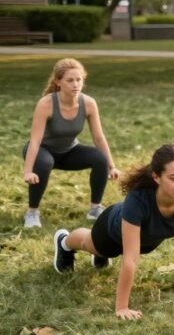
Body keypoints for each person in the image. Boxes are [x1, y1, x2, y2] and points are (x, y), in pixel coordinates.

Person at [52, 144, 174, 320]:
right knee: (89, 244)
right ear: (156, 177)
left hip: (144, 241)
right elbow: (131, 258)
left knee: (106, 252)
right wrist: (121, 307)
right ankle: (64, 242)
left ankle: (100, 255)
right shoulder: (138, 201)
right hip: (111, 230)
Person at [22, 58, 121, 228]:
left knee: (99, 158)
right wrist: (28, 171)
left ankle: (95, 209)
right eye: (70, 80)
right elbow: (36, 140)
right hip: (43, 151)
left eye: (79, 79)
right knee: (45, 163)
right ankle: (31, 213)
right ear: (58, 82)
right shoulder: (46, 104)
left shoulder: (88, 103)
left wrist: (111, 166)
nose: (75, 84)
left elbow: (98, 137)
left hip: (69, 151)